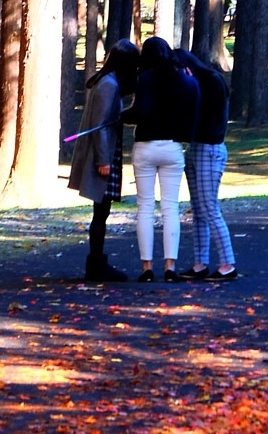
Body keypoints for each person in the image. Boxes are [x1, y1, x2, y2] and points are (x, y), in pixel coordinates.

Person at [122, 36, 200, 283]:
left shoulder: (145, 79)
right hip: (172, 147)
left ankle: (147, 267)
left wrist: (120, 116)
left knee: (145, 206)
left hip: (145, 146)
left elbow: (139, 112)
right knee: (170, 207)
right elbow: (194, 103)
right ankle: (170, 266)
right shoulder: (184, 80)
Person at [68, 39, 140, 282]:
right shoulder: (108, 85)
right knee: (101, 210)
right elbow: (99, 126)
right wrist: (103, 159)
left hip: (108, 152)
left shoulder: (107, 82)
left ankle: (97, 262)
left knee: (103, 210)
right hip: (104, 154)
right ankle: (96, 264)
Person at [175, 49, 237, 281]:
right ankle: (200, 263)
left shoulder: (211, 81)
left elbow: (208, 119)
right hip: (195, 147)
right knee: (199, 210)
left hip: (209, 148)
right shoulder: (197, 83)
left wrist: (192, 89)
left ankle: (227, 263)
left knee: (210, 208)